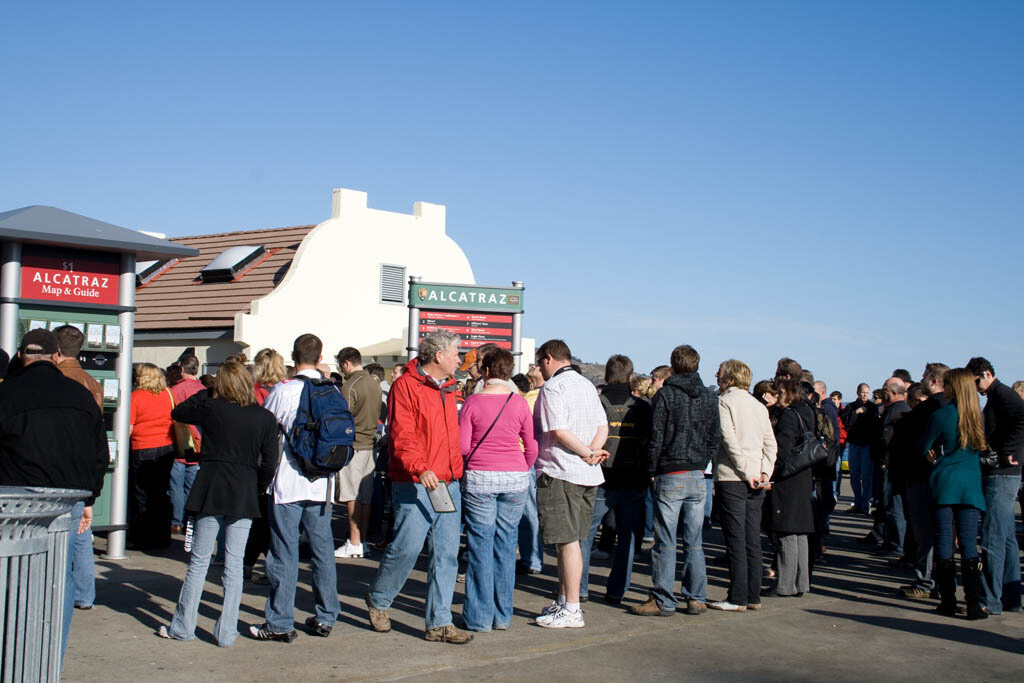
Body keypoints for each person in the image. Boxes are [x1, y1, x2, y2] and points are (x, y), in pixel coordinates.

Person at [0, 328, 107, 665]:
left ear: (21, 356)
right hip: (68, 499)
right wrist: (90, 498)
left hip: (14, 499)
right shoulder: (80, 396)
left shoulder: (6, 394)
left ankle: (10, 659)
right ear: (56, 355)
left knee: (12, 577)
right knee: (59, 581)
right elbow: (98, 454)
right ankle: (49, 661)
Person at [157, 360, 278, 646]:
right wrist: (257, 487)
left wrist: (206, 391)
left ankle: (183, 626)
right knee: (234, 565)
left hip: (211, 487)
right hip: (244, 488)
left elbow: (179, 411)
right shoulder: (264, 417)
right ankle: (226, 632)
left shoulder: (212, 408)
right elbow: (270, 462)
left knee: (199, 562)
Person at [365, 331, 473, 644]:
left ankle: (440, 622)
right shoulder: (405, 386)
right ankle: (379, 599)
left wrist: (453, 470)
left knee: (447, 554)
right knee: (406, 548)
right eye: (455, 353)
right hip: (415, 481)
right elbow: (403, 434)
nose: (458, 358)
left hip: (447, 482)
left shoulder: (450, 387)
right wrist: (419, 467)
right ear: (438, 355)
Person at [250, 334, 340, 642]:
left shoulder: (283, 390)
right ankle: (327, 615)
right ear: (320, 356)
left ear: (293, 355)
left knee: (283, 553)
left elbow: (265, 431)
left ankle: (280, 622)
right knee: (322, 552)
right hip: (323, 484)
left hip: (287, 482)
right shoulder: (333, 390)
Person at [631, 345, 720, 618]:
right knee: (694, 540)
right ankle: (696, 597)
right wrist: (703, 459)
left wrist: (652, 470)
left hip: (670, 470)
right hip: (697, 472)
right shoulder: (708, 396)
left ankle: (663, 599)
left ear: (674, 365)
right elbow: (715, 436)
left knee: (665, 540)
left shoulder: (666, 395)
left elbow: (656, 436)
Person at [532, 339, 609, 628]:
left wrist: (588, 452)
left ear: (549, 359)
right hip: (588, 472)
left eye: (540, 363)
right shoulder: (587, 384)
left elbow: (560, 431)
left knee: (567, 542)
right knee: (574, 540)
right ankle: (565, 601)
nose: (540, 368)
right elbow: (603, 425)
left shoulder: (553, 387)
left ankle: (572, 608)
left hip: (562, 470)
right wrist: (593, 452)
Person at [459, 349, 537, 631]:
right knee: (506, 545)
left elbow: (463, 447)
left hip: (480, 478)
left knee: (480, 546)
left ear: (487, 371)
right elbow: (532, 445)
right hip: (515, 479)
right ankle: (503, 616)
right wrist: (520, 467)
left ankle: (479, 618)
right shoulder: (519, 403)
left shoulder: (472, 402)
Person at [580, 355, 652, 605]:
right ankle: (617, 590)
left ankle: (580, 588)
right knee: (627, 538)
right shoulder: (642, 407)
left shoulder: (595, 403)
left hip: (600, 478)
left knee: (585, 536)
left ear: (607, 376)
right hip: (633, 480)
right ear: (631, 376)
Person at [707, 360, 777, 612]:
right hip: (757, 478)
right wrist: (764, 471)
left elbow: (728, 439)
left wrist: (748, 472)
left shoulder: (724, 401)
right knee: (752, 539)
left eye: (721, 372)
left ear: (731, 378)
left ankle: (737, 597)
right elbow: (770, 443)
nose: (716, 375)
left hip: (732, 477)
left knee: (735, 539)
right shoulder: (759, 406)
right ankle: (753, 595)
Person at [919, 368, 988, 620]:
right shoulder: (978, 417)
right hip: (970, 485)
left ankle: (948, 600)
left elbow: (924, 446)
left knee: (944, 543)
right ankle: (974, 603)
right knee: (970, 545)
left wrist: (933, 455)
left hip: (944, 483)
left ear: (953, 387)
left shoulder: (942, 415)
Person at [966, 357, 1023, 615]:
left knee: (993, 537)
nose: (976, 386)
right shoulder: (997, 395)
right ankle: (1011, 598)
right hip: (1004, 472)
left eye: (977, 380)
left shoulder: (1003, 394)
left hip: (1001, 473)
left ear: (987, 374)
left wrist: (1009, 450)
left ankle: (991, 598)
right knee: (1006, 537)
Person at [52, 325, 103, 611]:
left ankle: (60, 590)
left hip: (59, 469)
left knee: (59, 534)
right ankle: (85, 593)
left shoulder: (54, 380)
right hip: (83, 472)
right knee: (82, 535)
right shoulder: (92, 383)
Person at [894, 363, 949, 600]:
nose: (922, 378)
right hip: (935, 476)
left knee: (924, 531)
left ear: (934, 380)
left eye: (926, 375)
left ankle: (926, 581)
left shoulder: (930, 409)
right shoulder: (951, 407)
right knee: (940, 532)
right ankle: (939, 582)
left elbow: (913, 439)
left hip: (920, 475)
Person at [765, 379, 816, 598]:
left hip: (788, 479)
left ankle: (785, 584)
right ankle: (801, 582)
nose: (777, 396)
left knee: (786, 531)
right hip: (804, 475)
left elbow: (783, 451)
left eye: (779, 392)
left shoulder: (788, 415)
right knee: (799, 533)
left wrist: (770, 472)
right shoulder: (807, 411)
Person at [333, 347, 383, 559]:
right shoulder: (374, 383)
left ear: (346, 363)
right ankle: (361, 541)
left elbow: (344, 417)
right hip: (371, 444)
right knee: (365, 496)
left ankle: (354, 542)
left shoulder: (350, 385)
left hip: (354, 445)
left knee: (351, 495)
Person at [128, 362, 175, 549]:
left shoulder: (135, 397)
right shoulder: (168, 395)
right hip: (167, 447)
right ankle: (162, 536)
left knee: (142, 494)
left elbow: (129, 427)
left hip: (143, 446)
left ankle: (142, 537)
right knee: (161, 493)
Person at [168, 354, 204, 535]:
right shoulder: (204, 389)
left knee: (176, 486)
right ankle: (191, 520)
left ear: (182, 369)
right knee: (192, 485)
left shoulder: (174, 390)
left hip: (180, 441)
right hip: (199, 443)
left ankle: (176, 521)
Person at [517, 361, 545, 575]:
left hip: (527, 458)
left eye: (536, 364)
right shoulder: (532, 395)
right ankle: (531, 557)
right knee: (529, 510)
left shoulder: (537, 397)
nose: (532, 366)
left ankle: (532, 558)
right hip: (530, 457)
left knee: (529, 511)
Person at [843, 383, 880, 514]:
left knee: (866, 476)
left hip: (867, 445)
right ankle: (857, 501)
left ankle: (865, 503)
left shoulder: (872, 408)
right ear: (858, 392)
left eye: (867, 392)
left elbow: (876, 425)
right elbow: (846, 422)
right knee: (854, 475)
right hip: (854, 444)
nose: (865, 395)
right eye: (863, 392)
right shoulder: (851, 407)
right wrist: (856, 413)